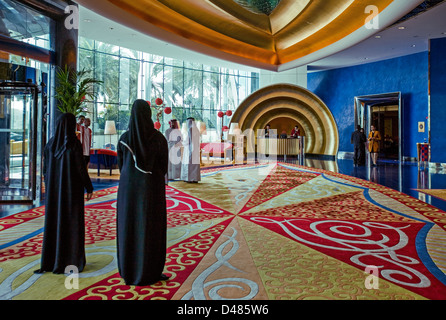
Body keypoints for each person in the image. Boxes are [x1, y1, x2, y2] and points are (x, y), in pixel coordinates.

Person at [116, 99, 169, 286]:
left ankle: (128, 270)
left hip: (128, 191)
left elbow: (121, 166)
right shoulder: (159, 139)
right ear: (148, 114)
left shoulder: (124, 138)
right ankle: (151, 270)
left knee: (129, 225)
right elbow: (163, 167)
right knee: (150, 227)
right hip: (152, 190)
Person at [34, 113, 93, 275]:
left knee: (54, 222)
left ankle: (51, 260)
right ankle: (71, 260)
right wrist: (88, 187)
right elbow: (81, 169)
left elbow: (46, 170)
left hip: (54, 194)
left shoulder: (51, 144)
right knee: (71, 223)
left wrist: (50, 186)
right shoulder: (73, 144)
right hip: (71, 192)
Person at [181, 117, 201, 183]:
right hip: (195, 149)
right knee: (195, 165)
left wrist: (181, 142)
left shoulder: (190, 129)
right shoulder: (197, 130)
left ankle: (188, 178)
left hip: (188, 149)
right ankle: (195, 178)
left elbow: (187, 141)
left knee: (188, 164)